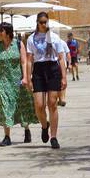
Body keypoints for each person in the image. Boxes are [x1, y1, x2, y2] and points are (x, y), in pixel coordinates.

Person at [23, 11, 69, 148]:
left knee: (52, 104)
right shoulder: (31, 39)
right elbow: (29, 60)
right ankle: (44, 125)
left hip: (52, 68)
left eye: (46, 22)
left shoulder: (54, 37)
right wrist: (28, 78)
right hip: (38, 69)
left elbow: (61, 58)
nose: (44, 24)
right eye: (41, 22)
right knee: (39, 105)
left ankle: (54, 137)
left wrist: (64, 77)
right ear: (37, 23)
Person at [0, 22, 36, 146]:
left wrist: (25, 77)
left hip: (17, 80)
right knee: (5, 106)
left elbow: (24, 62)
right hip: (3, 81)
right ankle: (7, 136)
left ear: (8, 32)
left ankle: (26, 129)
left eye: (1, 31)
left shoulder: (19, 44)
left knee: (21, 106)